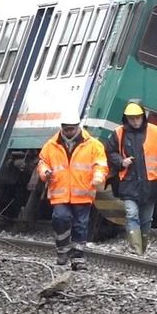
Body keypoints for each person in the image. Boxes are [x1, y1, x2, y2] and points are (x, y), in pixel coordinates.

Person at [37, 111, 108, 271]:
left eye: (72, 128)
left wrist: (98, 177)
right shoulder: (51, 145)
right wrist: (45, 172)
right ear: (62, 127)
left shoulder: (93, 145)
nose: (69, 131)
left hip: (83, 192)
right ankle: (62, 250)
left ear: (78, 127)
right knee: (60, 218)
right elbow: (43, 162)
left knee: (80, 225)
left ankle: (78, 258)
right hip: (60, 192)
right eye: (66, 128)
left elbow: (101, 164)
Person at [106, 101, 157, 255]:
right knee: (131, 214)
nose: (135, 121)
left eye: (138, 118)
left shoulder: (156, 131)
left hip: (151, 185)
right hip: (128, 183)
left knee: (146, 220)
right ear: (126, 119)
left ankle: (142, 249)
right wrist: (121, 162)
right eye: (132, 119)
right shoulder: (119, 133)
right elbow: (110, 152)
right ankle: (135, 250)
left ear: (143, 117)